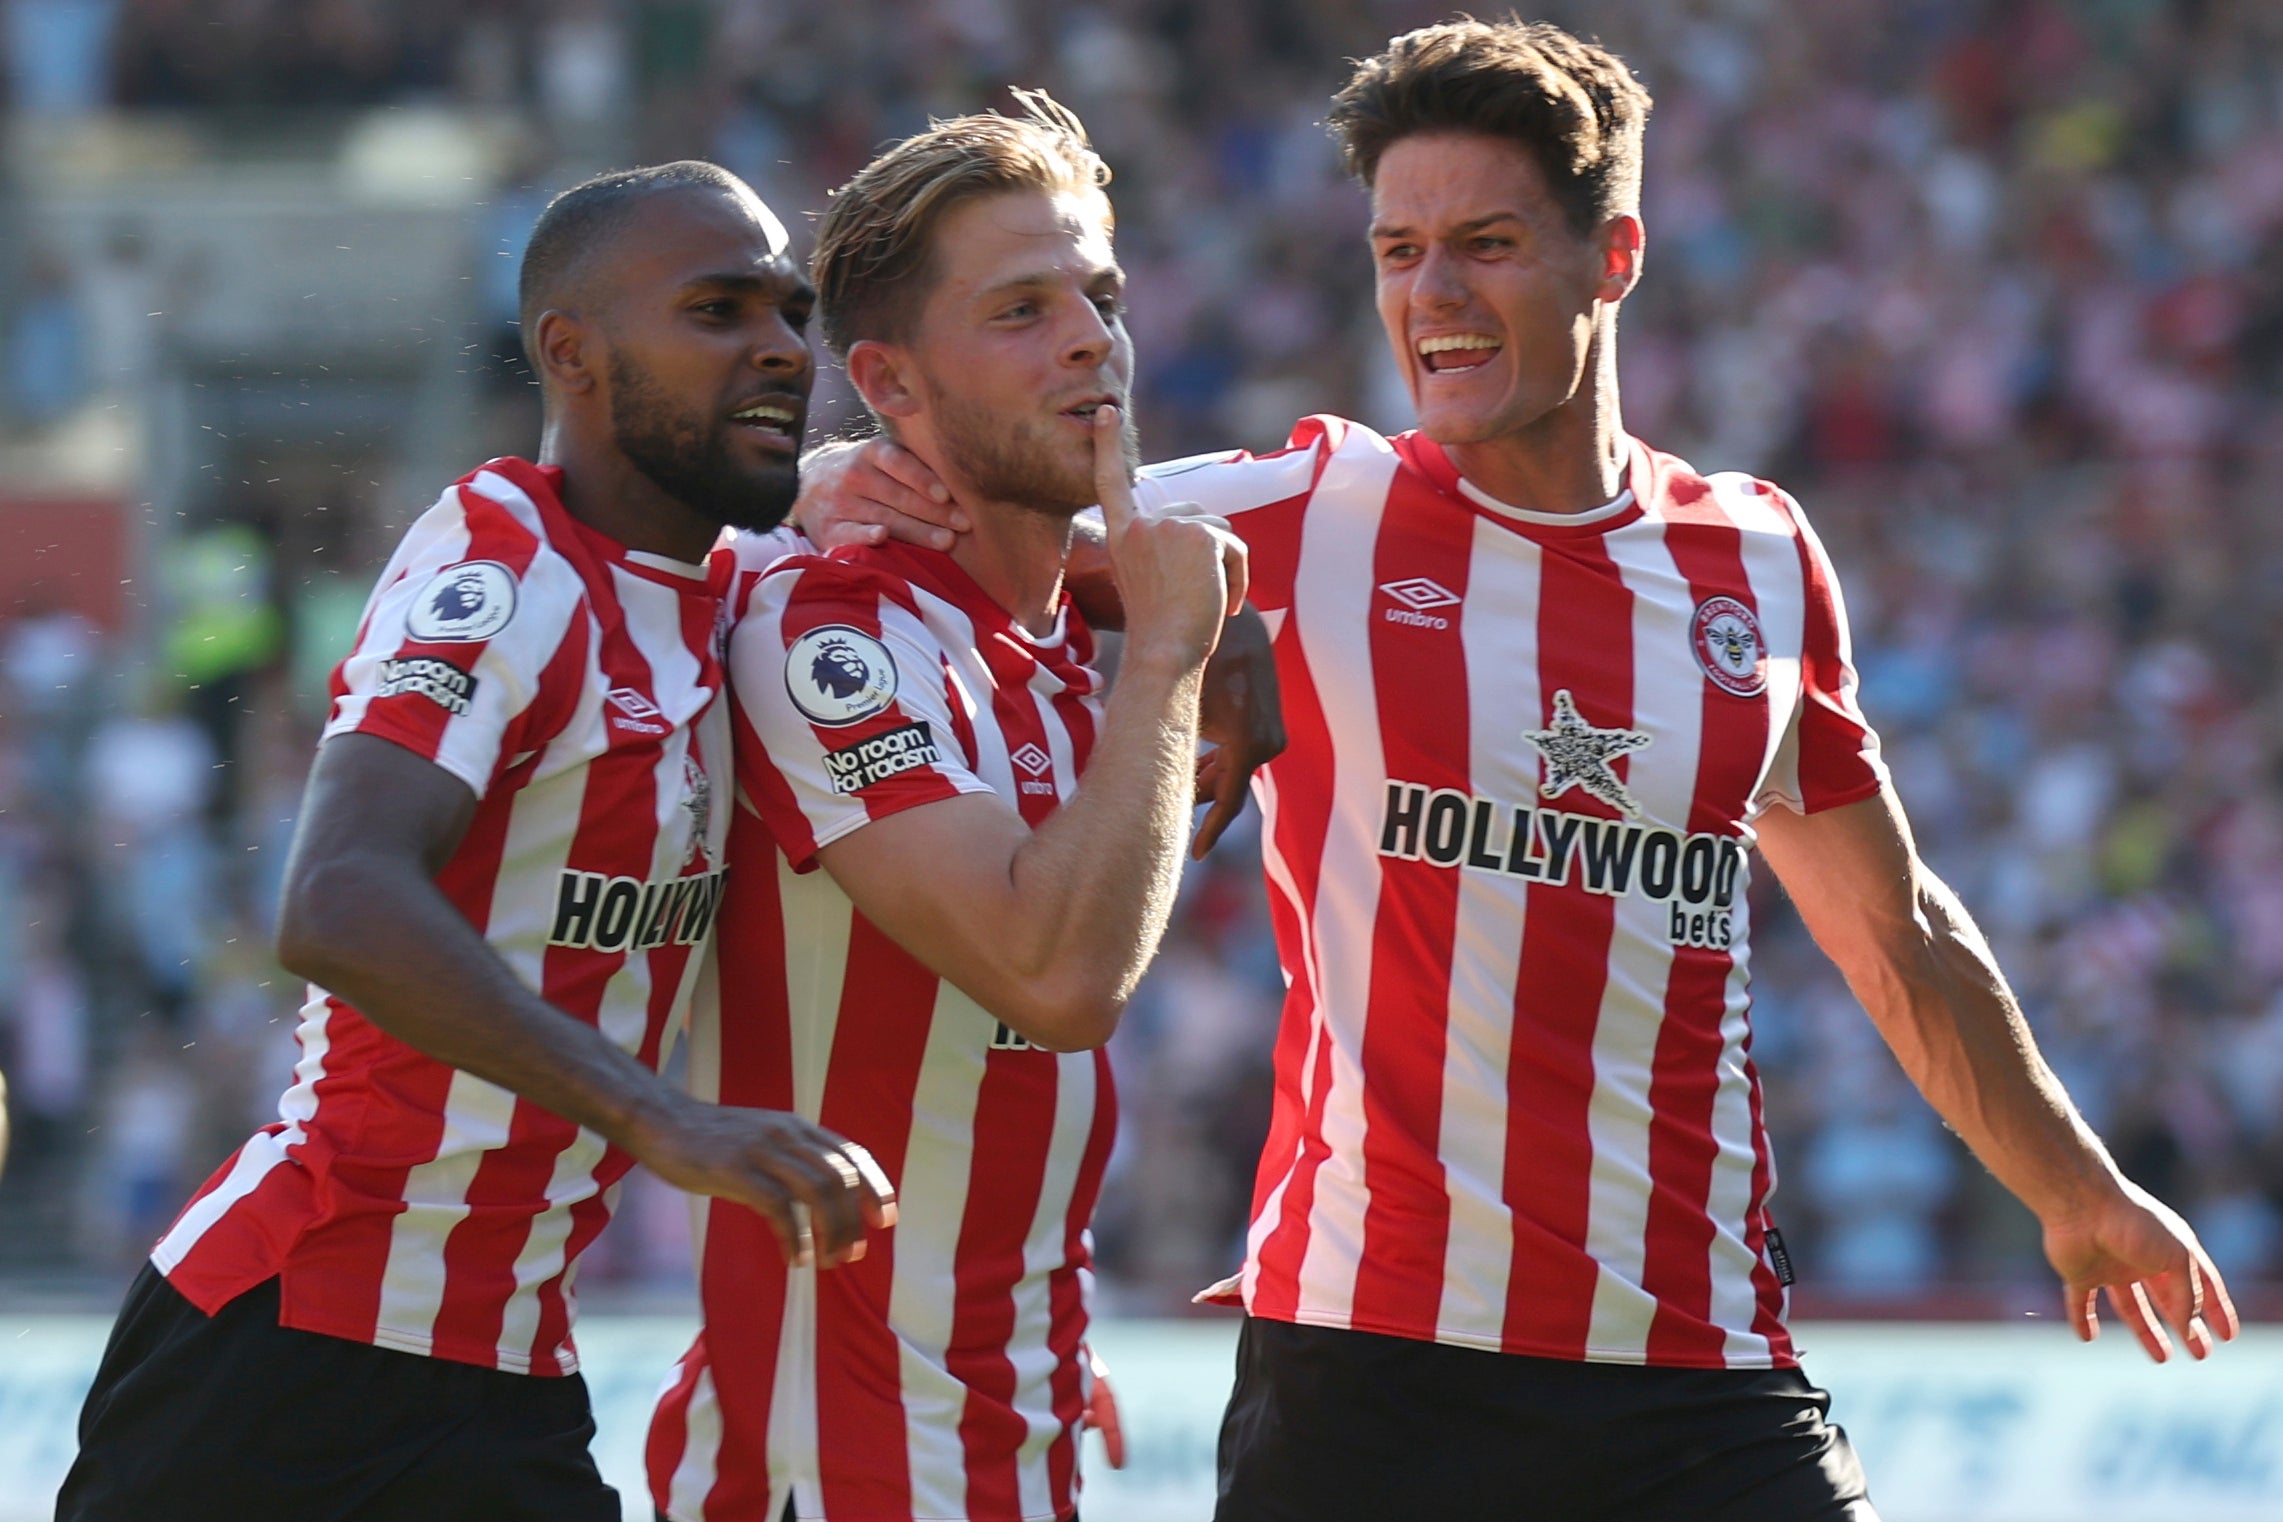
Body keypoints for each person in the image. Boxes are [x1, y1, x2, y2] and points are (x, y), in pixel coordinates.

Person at [813, 20, 2238, 1521]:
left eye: (1486, 244)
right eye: (1399, 250)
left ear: (1611, 257)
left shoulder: (1753, 555)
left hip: (1702, 1374)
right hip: (1371, 1380)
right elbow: (968, 506)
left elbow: (1898, 933)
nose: (1433, 297)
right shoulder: (1296, 517)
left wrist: (2079, 1190)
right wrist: (823, 471)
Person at [58, 161, 894, 1522]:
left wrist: (1180, 618)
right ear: (569, 352)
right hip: (288, 1346)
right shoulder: (507, 568)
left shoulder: (729, 585)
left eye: (791, 312)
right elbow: (334, 896)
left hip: (503, 1362)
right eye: (718, 309)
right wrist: (662, 1117)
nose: (779, 346)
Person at [644, 95, 1249, 1522]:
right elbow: (1055, 978)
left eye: (1099, 297)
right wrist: (1168, 650)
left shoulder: (1035, 648)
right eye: (1023, 312)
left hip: (997, 1444)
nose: (1093, 339)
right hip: (832, 1476)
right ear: (891, 385)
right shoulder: (824, 626)